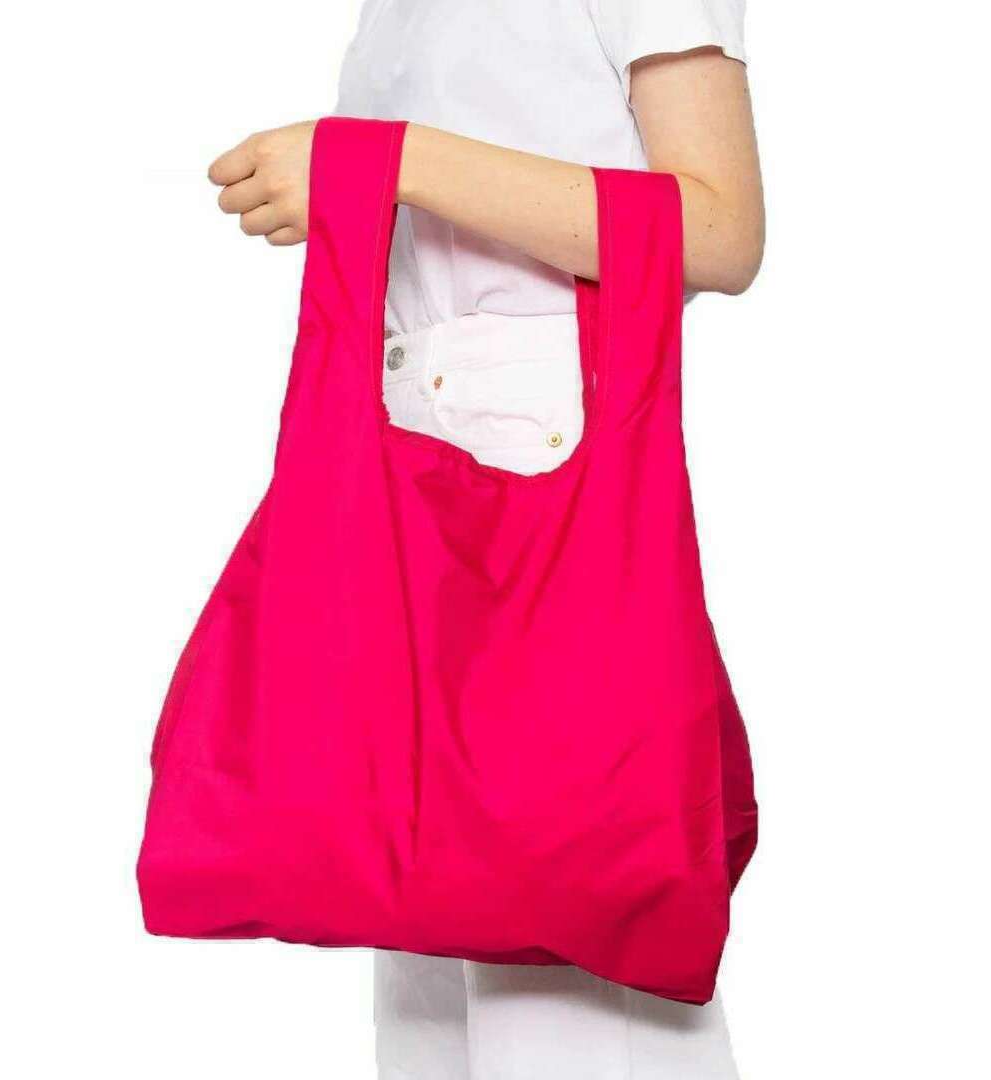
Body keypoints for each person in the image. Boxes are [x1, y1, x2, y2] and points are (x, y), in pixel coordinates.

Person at [207, 1, 764, 1076]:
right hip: (410, 455)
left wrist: (390, 160)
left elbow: (718, 229)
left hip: (549, 471)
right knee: (434, 992)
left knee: (570, 971)